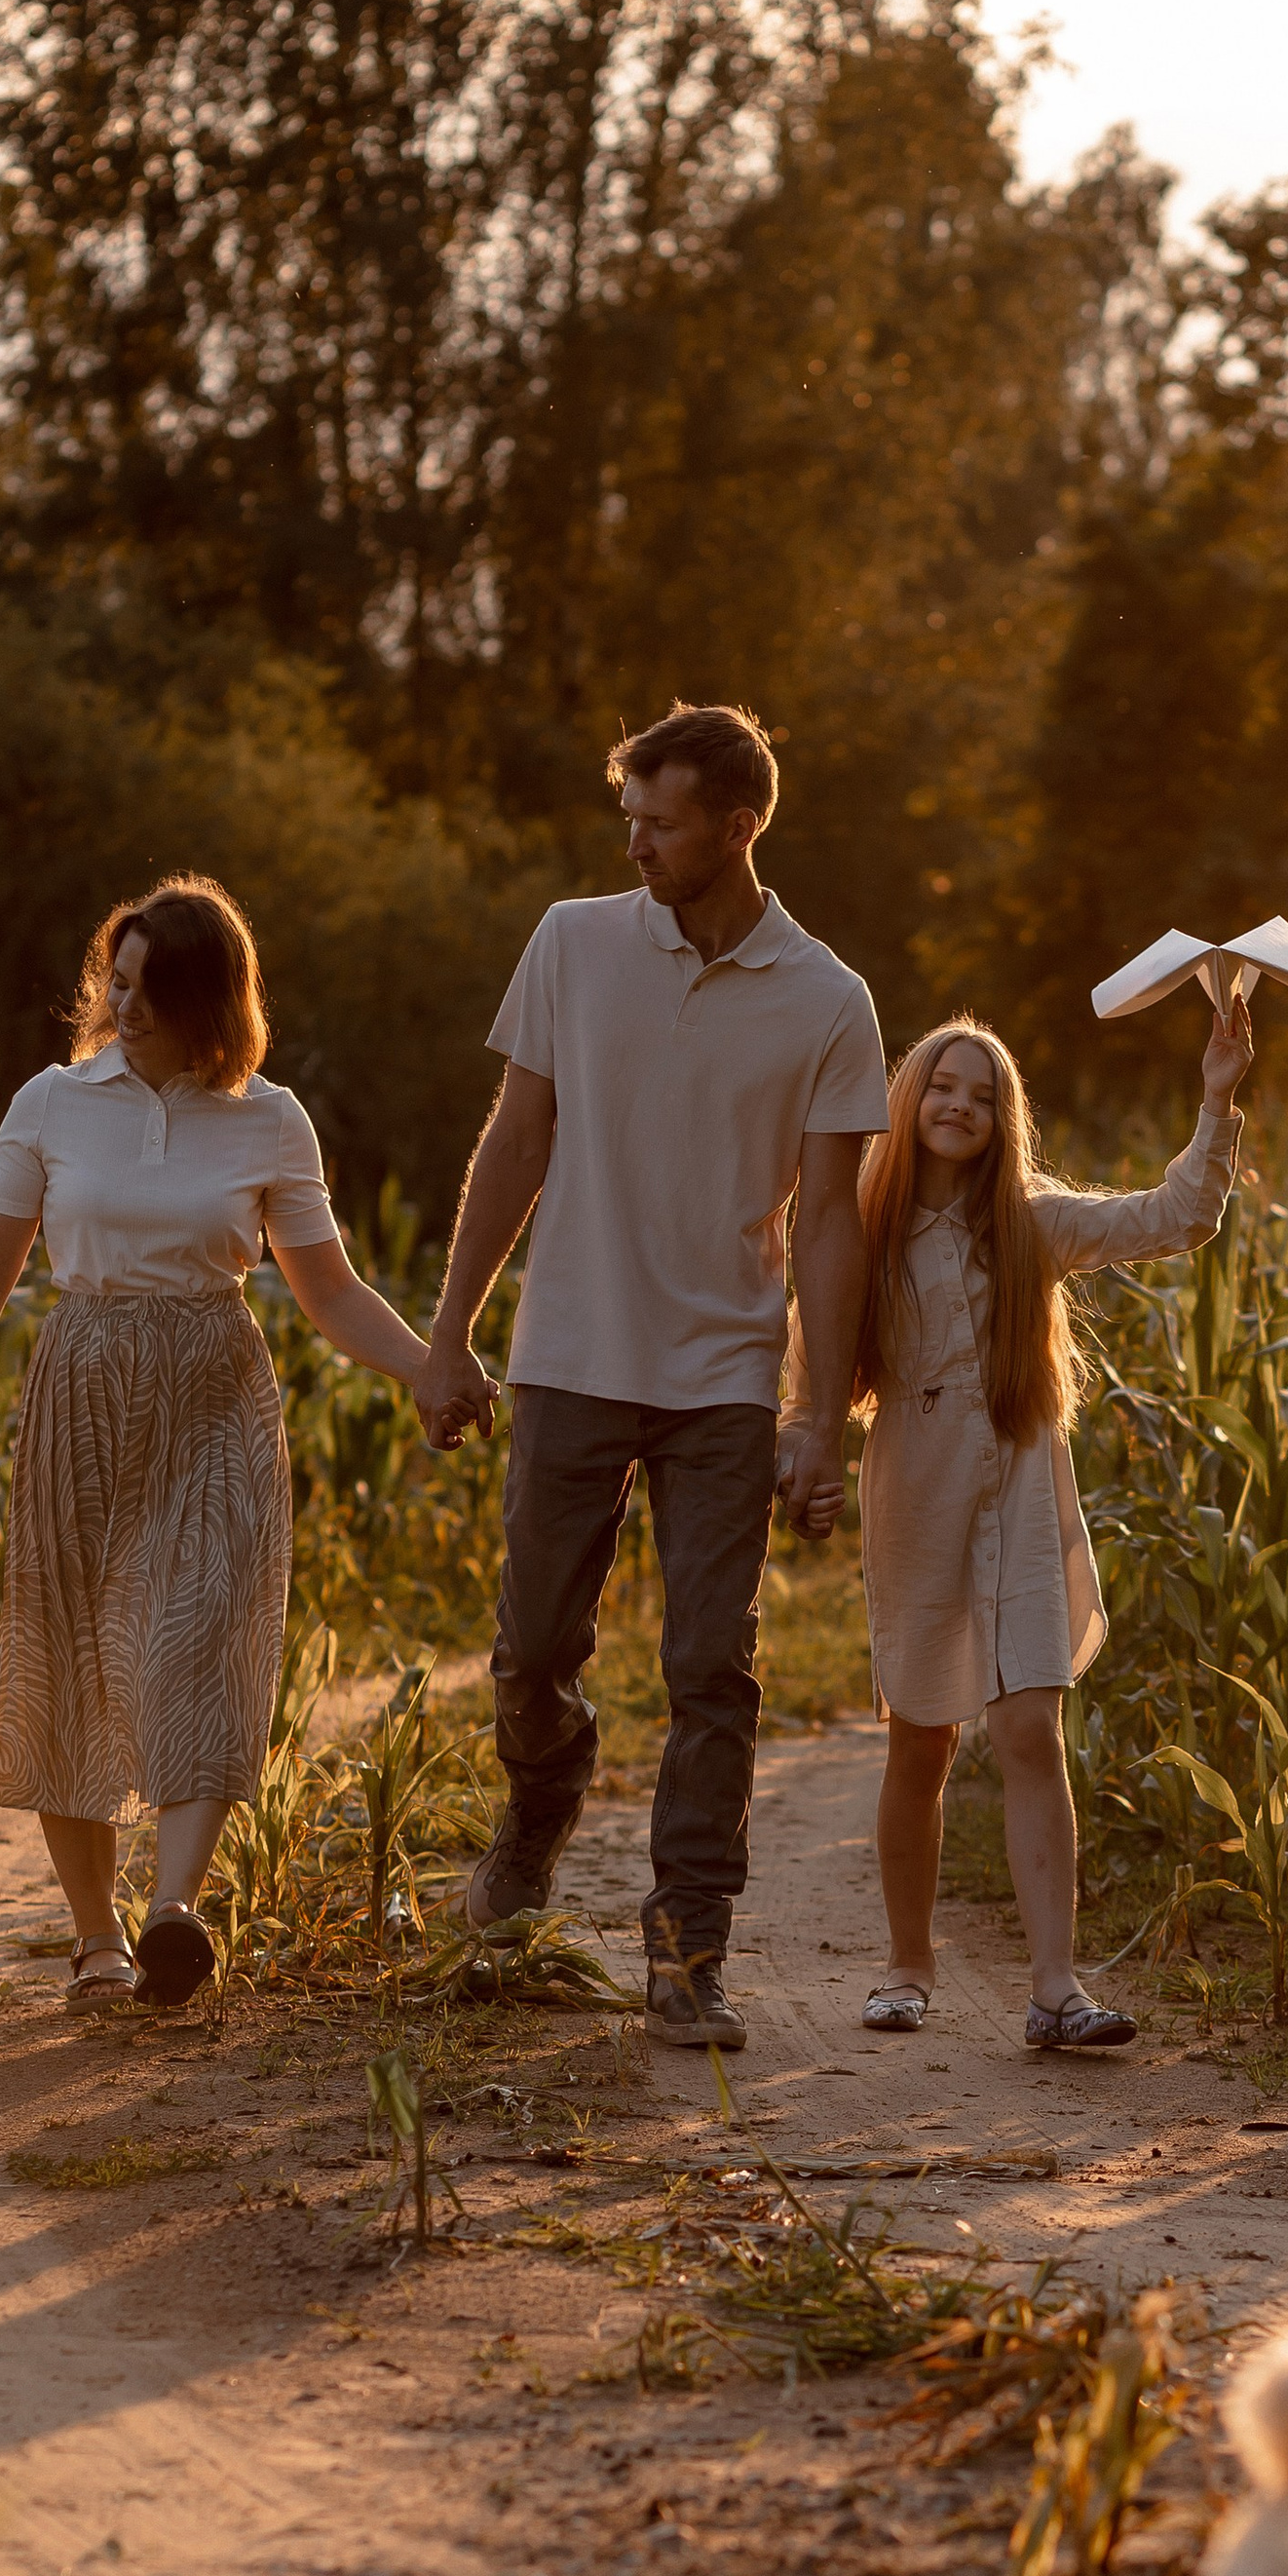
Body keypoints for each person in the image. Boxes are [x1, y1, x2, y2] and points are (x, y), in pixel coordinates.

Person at [411, 702, 888, 2050]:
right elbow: (515, 1138)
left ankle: (687, 1950)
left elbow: (835, 1220)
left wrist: (817, 1414)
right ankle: (541, 1805)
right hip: (569, 1352)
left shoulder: (828, 999)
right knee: (532, 1653)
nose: (633, 842)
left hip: (726, 1375)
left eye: (658, 822)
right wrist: (452, 1334)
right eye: (627, 816)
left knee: (710, 1670)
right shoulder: (572, 942)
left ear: (738, 828)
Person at [0, 876, 429, 2008]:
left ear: (210, 999)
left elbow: (327, 1290)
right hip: (80, 1383)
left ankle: (175, 1907)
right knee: (70, 1648)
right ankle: (95, 1941)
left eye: (151, 988)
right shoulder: (51, 1101)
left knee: (209, 1638)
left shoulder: (270, 1118)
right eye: (115, 981)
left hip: (216, 1389)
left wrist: (429, 1368)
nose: (123, 1006)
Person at [825, 1002, 1253, 2049]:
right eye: (943, 1085)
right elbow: (810, 1355)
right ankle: (905, 1966)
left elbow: (1176, 1216)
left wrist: (1217, 1098)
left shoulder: (1032, 1221)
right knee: (919, 1737)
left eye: (983, 1094)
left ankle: (1055, 1990)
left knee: (1027, 1727)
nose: (959, 1104)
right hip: (914, 1493)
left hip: (1020, 1485)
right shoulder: (861, 1226)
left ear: (1003, 1118)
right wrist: (799, 1453)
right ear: (910, 1095)